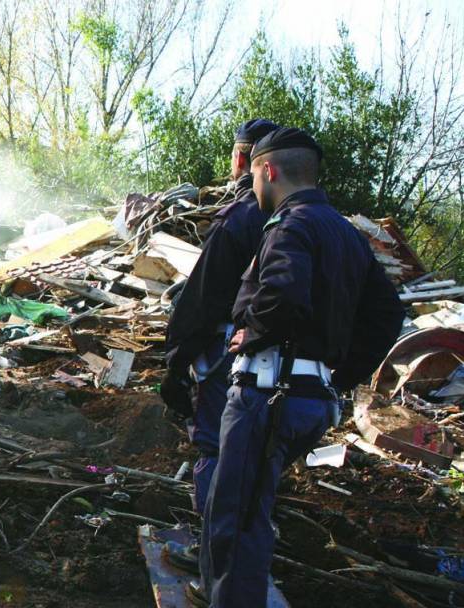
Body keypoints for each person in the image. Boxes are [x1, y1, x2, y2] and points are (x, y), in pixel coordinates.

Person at [198, 127, 404, 606]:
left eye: (252, 176)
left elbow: (284, 290)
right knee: (249, 507)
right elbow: (388, 314)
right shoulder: (345, 233)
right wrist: (337, 375)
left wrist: (256, 330)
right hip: (309, 401)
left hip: (267, 396)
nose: (252, 187)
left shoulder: (289, 225)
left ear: (268, 170)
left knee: (237, 518)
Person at [161, 119, 278, 532]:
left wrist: (176, 360)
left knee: (216, 446)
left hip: (230, 358)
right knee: (259, 456)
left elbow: (203, 298)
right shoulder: (312, 223)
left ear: (244, 158)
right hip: (290, 371)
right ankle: (249, 548)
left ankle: (213, 552)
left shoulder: (241, 218)